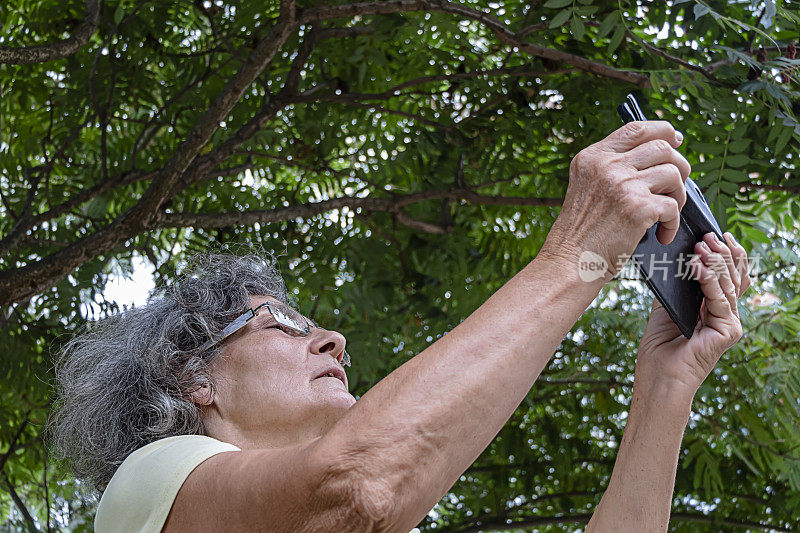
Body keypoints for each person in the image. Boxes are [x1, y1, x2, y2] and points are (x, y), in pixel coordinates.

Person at [50, 121, 751, 532]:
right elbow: (362, 483)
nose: (333, 342)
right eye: (284, 323)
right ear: (192, 374)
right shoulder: (148, 485)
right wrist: (578, 254)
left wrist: (668, 381)